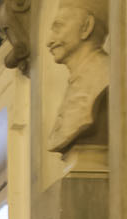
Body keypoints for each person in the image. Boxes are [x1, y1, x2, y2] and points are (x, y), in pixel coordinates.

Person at [46, 0, 110, 153]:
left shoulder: (105, 76)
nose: (49, 42)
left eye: (58, 27)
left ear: (86, 27)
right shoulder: (76, 81)